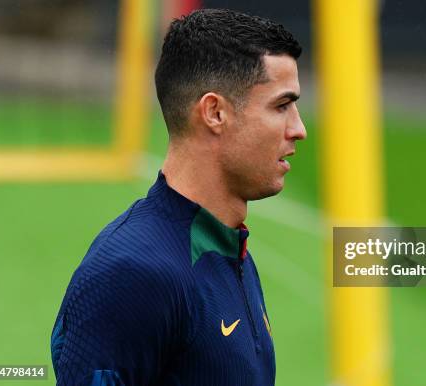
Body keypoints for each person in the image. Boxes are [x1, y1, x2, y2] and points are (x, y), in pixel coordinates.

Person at [50, 8, 306, 386]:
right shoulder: (132, 274)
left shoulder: (228, 247)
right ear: (215, 112)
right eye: (281, 106)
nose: (298, 129)